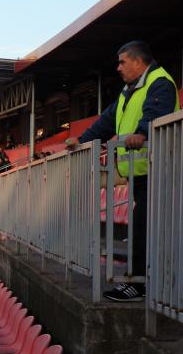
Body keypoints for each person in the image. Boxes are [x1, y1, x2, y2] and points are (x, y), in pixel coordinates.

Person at [65, 41, 179, 302]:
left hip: (161, 170)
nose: (118, 67)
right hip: (141, 173)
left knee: (143, 227)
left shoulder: (159, 82)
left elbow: (156, 115)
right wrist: (81, 141)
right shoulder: (129, 91)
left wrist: (141, 133)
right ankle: (146, 282)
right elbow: (105, 122)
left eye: (122, 62)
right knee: (143, 227)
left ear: (139, 62)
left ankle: (140, 284)